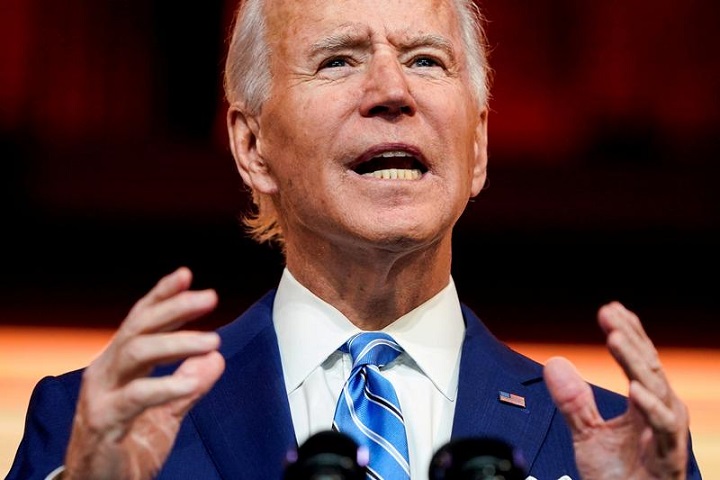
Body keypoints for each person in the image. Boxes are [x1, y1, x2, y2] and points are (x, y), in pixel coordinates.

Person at [7, 0, 703, 478]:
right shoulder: (92, 429)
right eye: (338, 60)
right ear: (252, 146)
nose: (391, 91)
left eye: (426, 60)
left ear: (480, 144)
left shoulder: (615, 450)